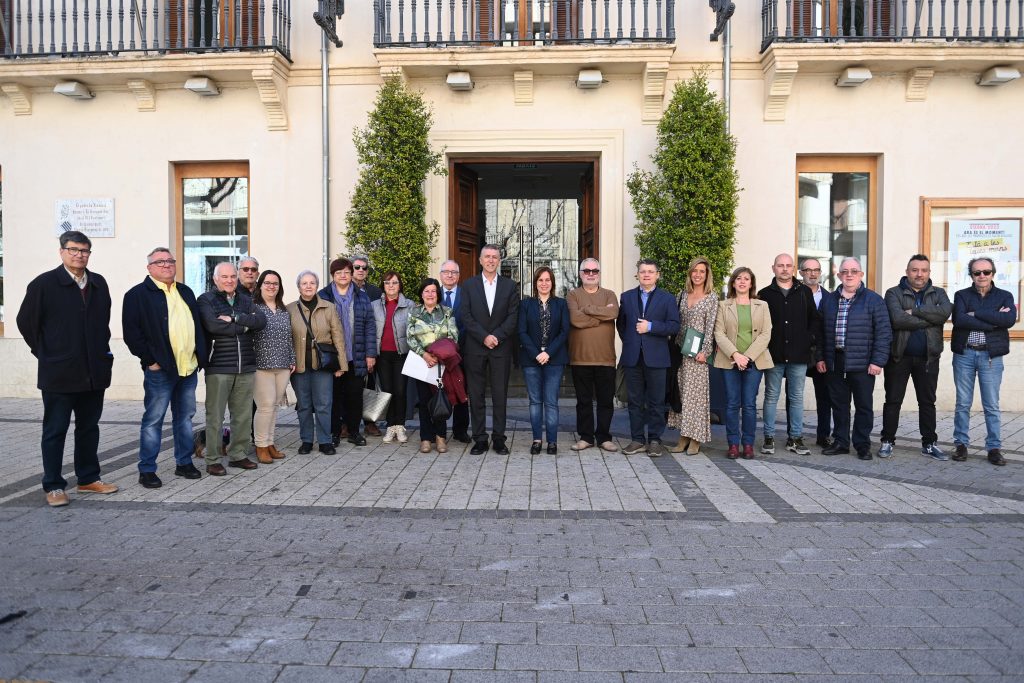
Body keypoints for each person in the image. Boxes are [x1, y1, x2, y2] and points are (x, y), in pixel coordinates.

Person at [17, 231, 119, 507]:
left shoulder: (98, 284)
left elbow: (103, 323)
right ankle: (53, 485)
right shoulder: (44, 284)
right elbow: (26, 323)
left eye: (85, 251)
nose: (79, 255)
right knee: (55, 430)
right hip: (59, 373)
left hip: (93, 372)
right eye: (73, 249)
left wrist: (102, 353)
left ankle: (87, 478)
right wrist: (48, 353)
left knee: (89, 428)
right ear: (62, 251)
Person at [122, 247, 206, 489]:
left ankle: (184, 463)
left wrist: (200, 356)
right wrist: (151, 361)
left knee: (185, 419)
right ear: (149, 268)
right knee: (153, 420)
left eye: (170, 261)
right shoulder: (137, 295)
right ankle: (147, 469)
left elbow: (196, 326)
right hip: (161, 371)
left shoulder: (185, 291)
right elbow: (132, 334)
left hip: (187, 368)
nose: (167, 265)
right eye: (160, 262)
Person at [815, 257, 891, 461]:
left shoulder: (874, 300)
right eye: (845, 271)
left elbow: (884, 333)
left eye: (854, 271)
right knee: (839, 405)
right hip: (835, 361)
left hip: (863, 363)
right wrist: (820, 357)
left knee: (864, 406)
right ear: (838, 275)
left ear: (861, 275)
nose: (849, 275)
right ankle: (841, 442)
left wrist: (878, 361)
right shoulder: (829, 300)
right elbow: (820, 333)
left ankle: (862, 445)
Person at [880, 254, 952, 460]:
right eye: (915, 270)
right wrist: (930, 320)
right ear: (907, 271)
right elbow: (897, 319)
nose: (919, 274)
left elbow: (945, 312)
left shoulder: (939, 293)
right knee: (893, 400)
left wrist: (916, 311)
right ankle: (887, 441)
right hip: (899, 357)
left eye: (924, 270)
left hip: (928, 357)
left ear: (929, 272)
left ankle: (929, 444)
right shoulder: (893, 293)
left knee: (927, 402)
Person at [198, 262, 267, 475]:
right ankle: (212, 459)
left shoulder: (245, 299)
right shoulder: (206, 300)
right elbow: (213, 325)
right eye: (225, 277)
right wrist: (245, 325)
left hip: (245, 365)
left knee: (243, 415)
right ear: (215, 279)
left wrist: (235, 319)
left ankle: (238, 454)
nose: (229, 280)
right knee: (215, 416)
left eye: (232, 277)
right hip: (219, 366)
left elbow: (261, 321)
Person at [951, 256, 1016, 466]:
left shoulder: (1005, 296)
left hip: (991, 356)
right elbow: (960, 319)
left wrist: (977, 313)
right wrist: (992, 321)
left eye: (986, 272)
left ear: (993, 274)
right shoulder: (961, 295)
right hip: (965, 355)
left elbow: (1008, 320)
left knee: (991, 405)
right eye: (977, 272)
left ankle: (994, 448)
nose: (982, 276)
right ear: (971, 275)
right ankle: (961, 444)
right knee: (963, 403)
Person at [460, 245, 520, 455]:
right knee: (475, 395)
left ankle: (499, 439)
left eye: (495, 257)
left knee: (499, 395)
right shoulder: (468, 285)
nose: (491, 260)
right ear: (480, 260)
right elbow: (465, 316)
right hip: (475, 348)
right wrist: (484, 336)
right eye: (487, 256)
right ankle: (479, 439)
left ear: (499, 261)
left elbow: (513, 316)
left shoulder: (510, 286)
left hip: (500, 348)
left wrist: (497, 336)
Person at [617, 259, 681, 457]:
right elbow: (622, 325)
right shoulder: (626, 297)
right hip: (632, 357)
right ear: (637, 274)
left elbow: (674, 326)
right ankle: (637, 439)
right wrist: (632, 342)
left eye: (650, 272)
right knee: (634, 401)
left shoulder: (667, 298)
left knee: (656, 401)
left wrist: (651, 327)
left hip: (657, 358)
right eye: (643, 271)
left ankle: (654, 440)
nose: (646, 274)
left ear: (657, 275)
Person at [758, 253, 818, 456]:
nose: (784, 269)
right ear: (773, 268)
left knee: (796, 397)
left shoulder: (804, 292)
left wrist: (808, 340)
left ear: (793, 268)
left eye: (788, 265)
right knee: (771, 396)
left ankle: (795, 437)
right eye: (780, 265)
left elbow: (814, 320)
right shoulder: (765, 294)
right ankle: (768, 437)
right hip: (773, 354)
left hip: (798, 354)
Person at [714, 267, 773, 460]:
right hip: (729, 361)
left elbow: (766, 334)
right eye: (738, 278)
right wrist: (736, 355)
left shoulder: (762, 305)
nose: (742, 282)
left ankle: (747, 444)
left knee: (748, 404)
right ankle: (733, 444)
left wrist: (747, 357)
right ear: (733, 282)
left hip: (754, 362)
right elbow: (719, 333)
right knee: (731, 404)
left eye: (746, 279)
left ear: (751, 283)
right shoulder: (723, 305)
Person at [289, 270, 347, 454]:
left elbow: (338, 337)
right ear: (298, 286)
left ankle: (324, 441)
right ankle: (306, 440)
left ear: (317, 285)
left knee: (324, 404)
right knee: (304, 405)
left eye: (312, 283)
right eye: (304, 283)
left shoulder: (329, 307)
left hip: (323, 365)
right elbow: (286, 339)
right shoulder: (289, 309)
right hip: (299, 366)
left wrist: (342, 365)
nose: (308, 286)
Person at [319, 258, 377, 446]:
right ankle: (334, 432)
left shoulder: (361, 296)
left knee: (355, 395)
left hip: (356, 354)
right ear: (333, 276)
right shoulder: (324, 296)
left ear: (351, 274)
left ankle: (354, 431)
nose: (343, 276)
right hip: (333, 356)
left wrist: (370, 354)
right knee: (334, 396)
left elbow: (370, 326)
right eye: (338, 273)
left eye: (346, 272)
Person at [567, 258, 619, 452]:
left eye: (594, 270)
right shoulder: (572, 295)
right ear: (580, 274)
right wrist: (600, 316)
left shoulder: (609, 294)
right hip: (580, 358)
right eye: (586, 271)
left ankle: (604, 437)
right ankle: (586, 437)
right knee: (583, 401)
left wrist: (587, 310)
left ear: (599, 273)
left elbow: (613, 314)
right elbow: (574, 318)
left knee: (606, 401)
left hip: (606, 358)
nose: (590, 273)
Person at [668, 257, 718, 455]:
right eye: (694, 271)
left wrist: (704, 352)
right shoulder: (681, 294)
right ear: (690, 273)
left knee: (696, 398)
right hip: (680, 353)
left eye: (702, 271)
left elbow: (711, 327)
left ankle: (695, 438)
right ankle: (683, 437)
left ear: (707, 275)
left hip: (697, 355)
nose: (698, 274)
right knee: (681, 395)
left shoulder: (711, 297)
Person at [519, 267, 570, 455]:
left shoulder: (561, 304)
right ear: (535, 284)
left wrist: (548, 353)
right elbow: (521, 332)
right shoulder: (525, 304)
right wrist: (536, 354)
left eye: (547, 280)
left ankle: (552, 441)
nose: (544, 283)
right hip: (531, 360)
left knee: (551, 402)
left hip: (554, 359)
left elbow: (564, 332)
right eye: (540, 280)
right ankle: (537, 440)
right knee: (534, 401)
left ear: (552, 283)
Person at [407, 278, 461, 454]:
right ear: (421, 294)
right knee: (424, 402)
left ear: (438, 294)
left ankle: (440, 437)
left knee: (440, 399)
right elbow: (410, 338)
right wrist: (425, 354)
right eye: (426, 291)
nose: (430, 294)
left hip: (441, 364)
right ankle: (425, 438)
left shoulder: (447, 312)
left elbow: (454, 337)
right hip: (421, 363)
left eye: (433, 291)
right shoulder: (414, 313)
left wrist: (438, 354)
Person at [252, 270, 295, 463]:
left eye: (275, 283)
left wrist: (292, 359)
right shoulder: (253, 308)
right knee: (265, 406)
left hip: (283, 364)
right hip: (261, 365)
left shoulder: (283, 310)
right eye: (267, 283)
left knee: (274, 407)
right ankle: (260, 446)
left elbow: (289, 337)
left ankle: (269, 443)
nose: (271, 286)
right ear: (260, 285)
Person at [372, 271, 415, 444]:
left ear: (400, 285)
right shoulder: (375, 305)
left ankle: (400, 426)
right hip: (382, 355)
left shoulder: (409, 305)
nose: (391, 286)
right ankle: (390, 427)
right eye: (388, 283)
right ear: (383, 285)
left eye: (395, 283)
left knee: (400, 391)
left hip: (401, 354)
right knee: (387, 391)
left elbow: (414, 330)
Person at [800, 258, 837, 448]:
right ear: (801, 273)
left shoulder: (830, 298)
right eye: (808, 270)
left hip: (821, 353)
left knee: (824, 397)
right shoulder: (795, 294)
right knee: (794, 395)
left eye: (816, 270)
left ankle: (823, 435)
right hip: (799, 351)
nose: (812, 274)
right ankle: (794, 434)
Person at [351, 254, 384, 437]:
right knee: (347, 387)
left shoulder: (374, 292)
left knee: (370, 386)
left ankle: (370, 422)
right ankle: (347, 423)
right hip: (350, 346)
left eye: (364, 268)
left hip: (370, 345)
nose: (361, 270)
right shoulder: (343, 289)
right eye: (357, 267)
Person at [439, 260, 471, 442]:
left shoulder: (466, 294)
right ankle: (440, 430)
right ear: (441, 275)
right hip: (440, 353)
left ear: (459, 276)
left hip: (463, 351)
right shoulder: (433, 294)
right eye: (446, 272)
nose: (450, 275)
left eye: (454, 272)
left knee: (461, 390)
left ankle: (460, 430)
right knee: (439, 390)